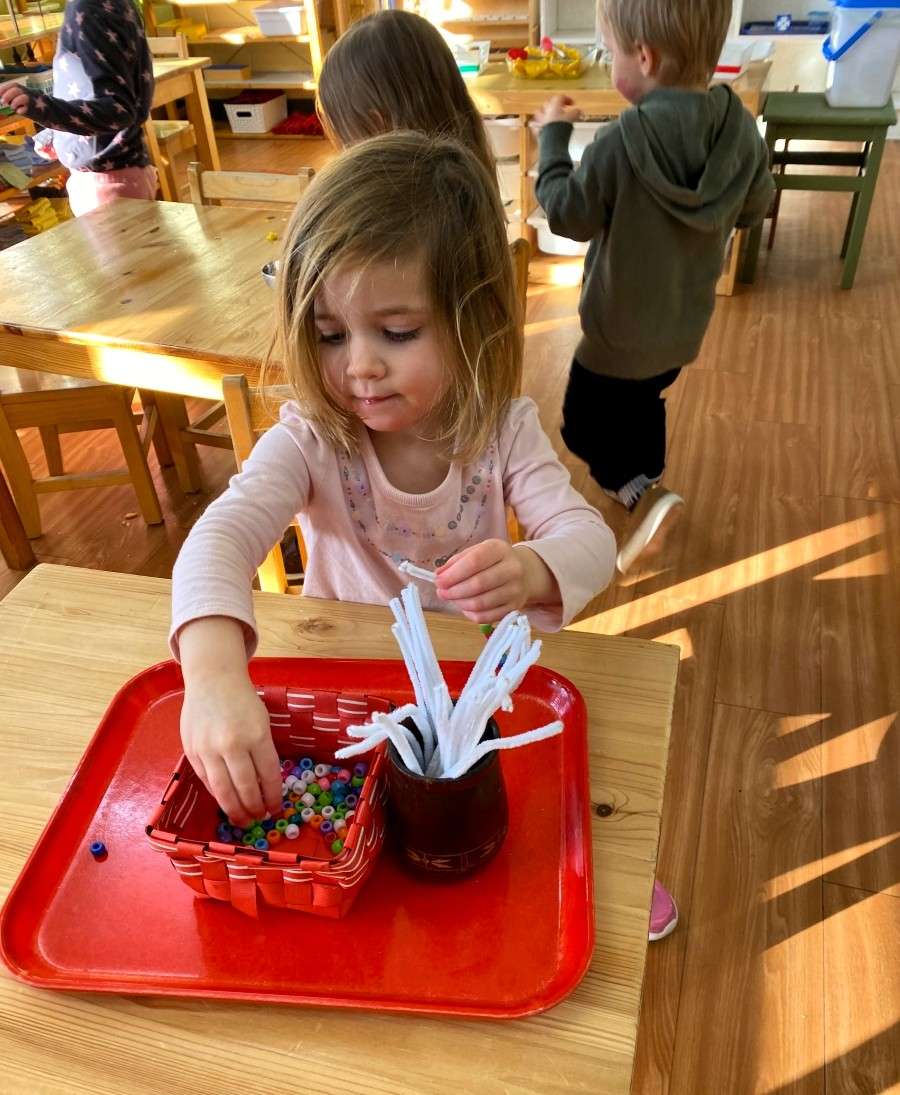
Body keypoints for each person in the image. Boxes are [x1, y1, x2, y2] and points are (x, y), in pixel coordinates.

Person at [170, 131, 615, 836]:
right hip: (340, 700)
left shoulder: (502, 431)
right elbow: (219, 537)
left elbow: (591, 541)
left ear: (474, 323)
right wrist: (214, 677)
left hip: (468, 705)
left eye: (398, 332)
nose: (360, 367)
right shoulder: (314, 438)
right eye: (330, 335)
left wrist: (532, 568)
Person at [534, 0, 774, 577]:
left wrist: (553, 140)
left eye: (610, 52)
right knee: (645, 396)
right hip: (682, 329)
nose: (610, 62)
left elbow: (567, 214)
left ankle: (640, 491)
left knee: (581, 424)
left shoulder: (620, 141)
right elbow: (755, 207)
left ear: (644, 57)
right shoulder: (739, 128)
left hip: (615, 335)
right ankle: (648, 475)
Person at [0, 0, 157, 217]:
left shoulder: (88, 8)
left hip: (108, 185)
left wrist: (43, 108)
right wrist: (59, 136)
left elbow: (117, 110)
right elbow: (95, 95)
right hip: (115, 176)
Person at [316, 8, 496, 179]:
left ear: (377, 124)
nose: (344, 152)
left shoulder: (395, 195)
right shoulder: (469, 172)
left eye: (346, 141)